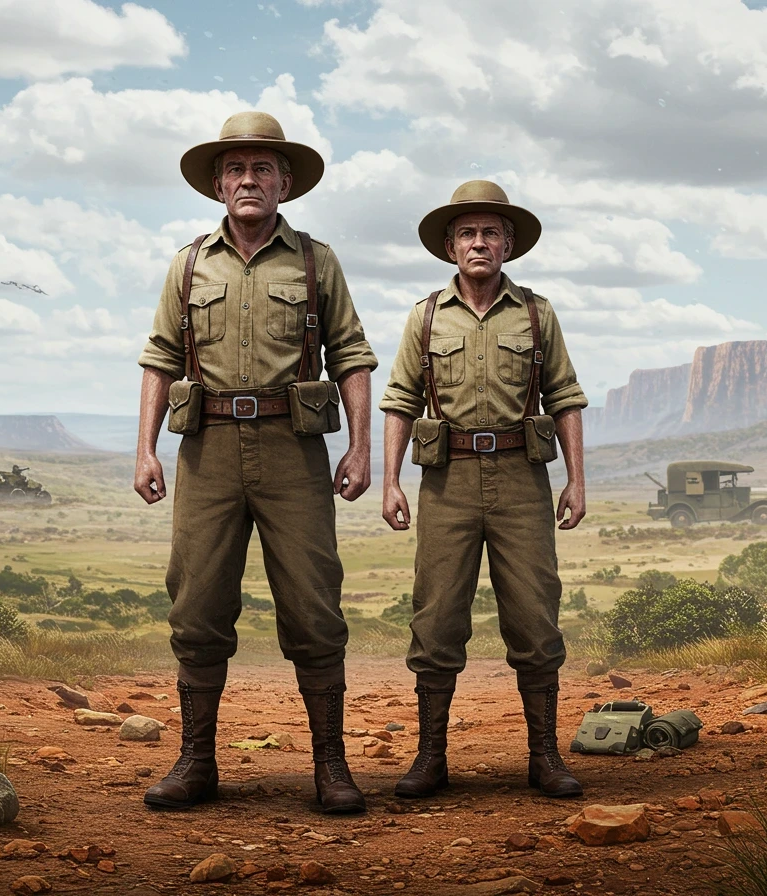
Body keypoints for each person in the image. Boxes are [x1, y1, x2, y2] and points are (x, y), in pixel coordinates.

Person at [134, 111, 378, 814]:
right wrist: (146, 448)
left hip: (292, 449)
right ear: (217, 183)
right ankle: (196, 762)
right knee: (198, 603)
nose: (249, 180)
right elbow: (158, 356)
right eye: (236, 169)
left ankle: (331, 767)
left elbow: (353, 357)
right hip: (205, 449)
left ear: (285, 182)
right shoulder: (188, 264)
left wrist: (361, 447)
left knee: (313, 604)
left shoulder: (314, 260)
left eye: (262, 169)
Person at [379, 180, 589, 800]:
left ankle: (545, 757)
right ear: (449, 245)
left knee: (534, 614)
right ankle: (430, 757)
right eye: (468, 233)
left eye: (490, 233)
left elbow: (567, 397)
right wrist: (390, 481)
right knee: (436, 616)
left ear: (509, 243)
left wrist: (577, 478)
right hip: (446, 481)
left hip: (524, 478)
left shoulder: (537, 313)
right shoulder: (424, 317)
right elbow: (397, 401)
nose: (479, 243)